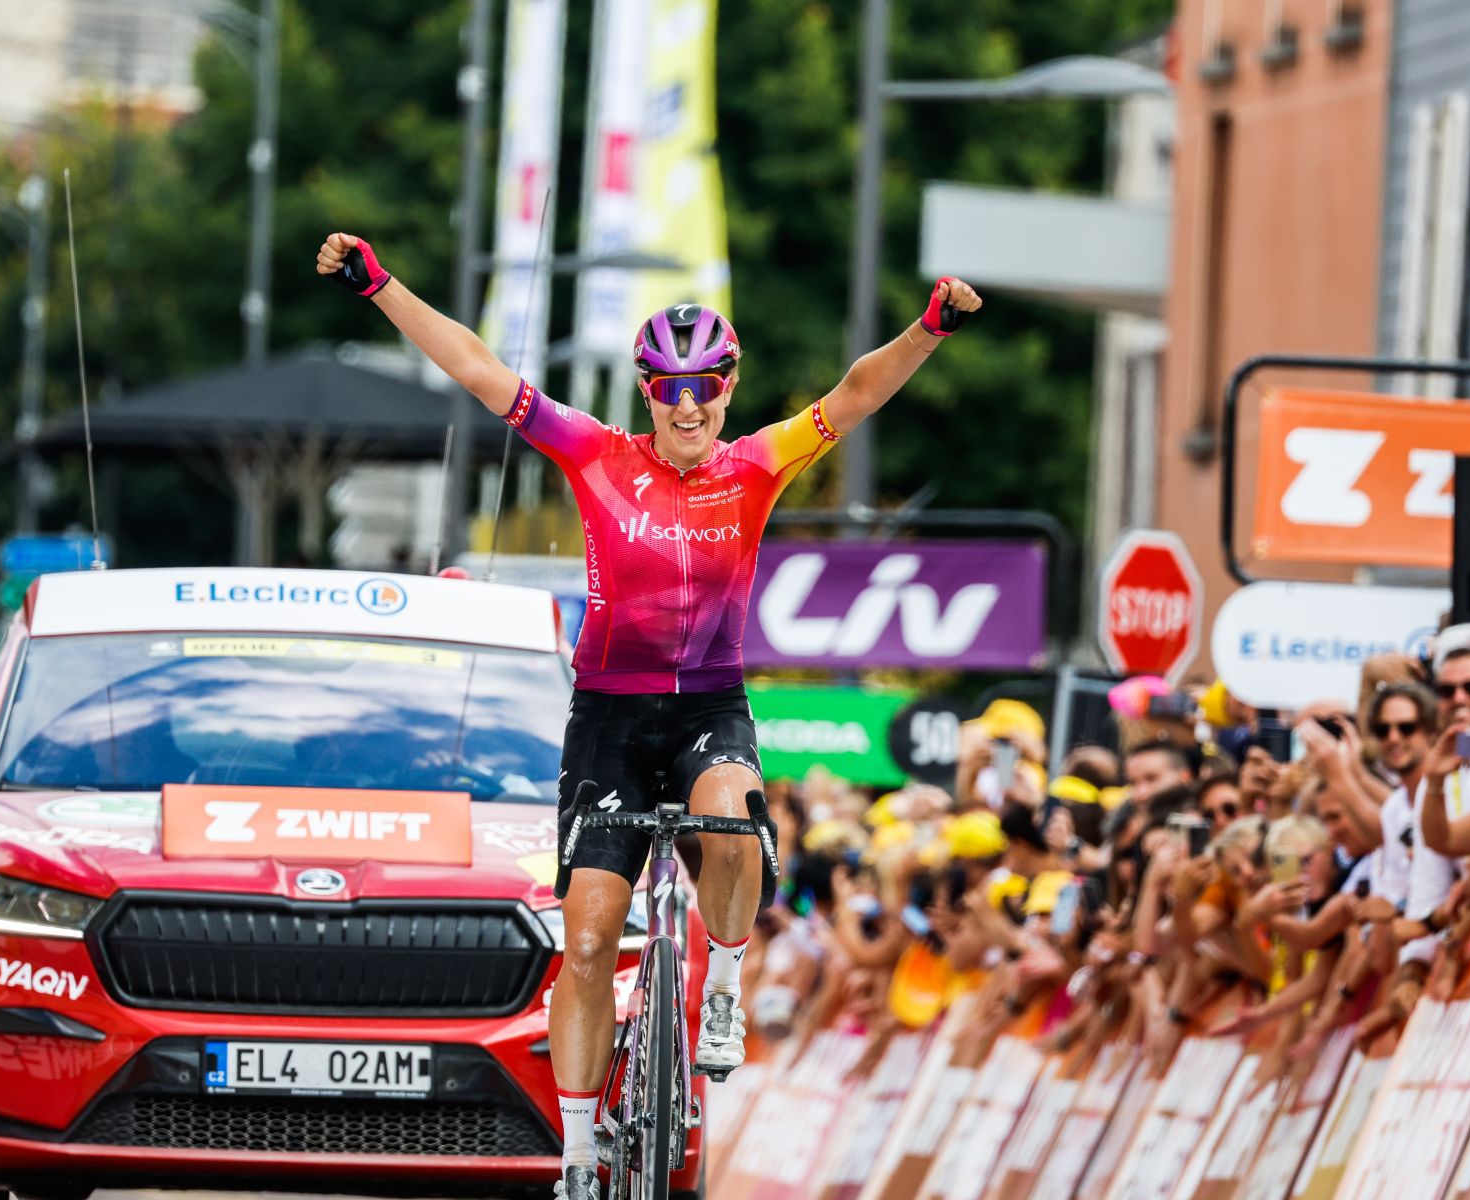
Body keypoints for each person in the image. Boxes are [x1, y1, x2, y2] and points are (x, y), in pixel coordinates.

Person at [315, 229, 981, 1197]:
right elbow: (475, 365)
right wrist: (378, 286)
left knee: (741, 824)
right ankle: (581, 1150)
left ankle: (721, 983)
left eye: (706, 384)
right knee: (587, 935)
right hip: (611, 719)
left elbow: (857, 392)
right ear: (645, 393)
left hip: (709, 705)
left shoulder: (757, 466)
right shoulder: (594, 456)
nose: (689, 404)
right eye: (670, 388)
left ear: (729, 386)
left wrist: (929, 327)